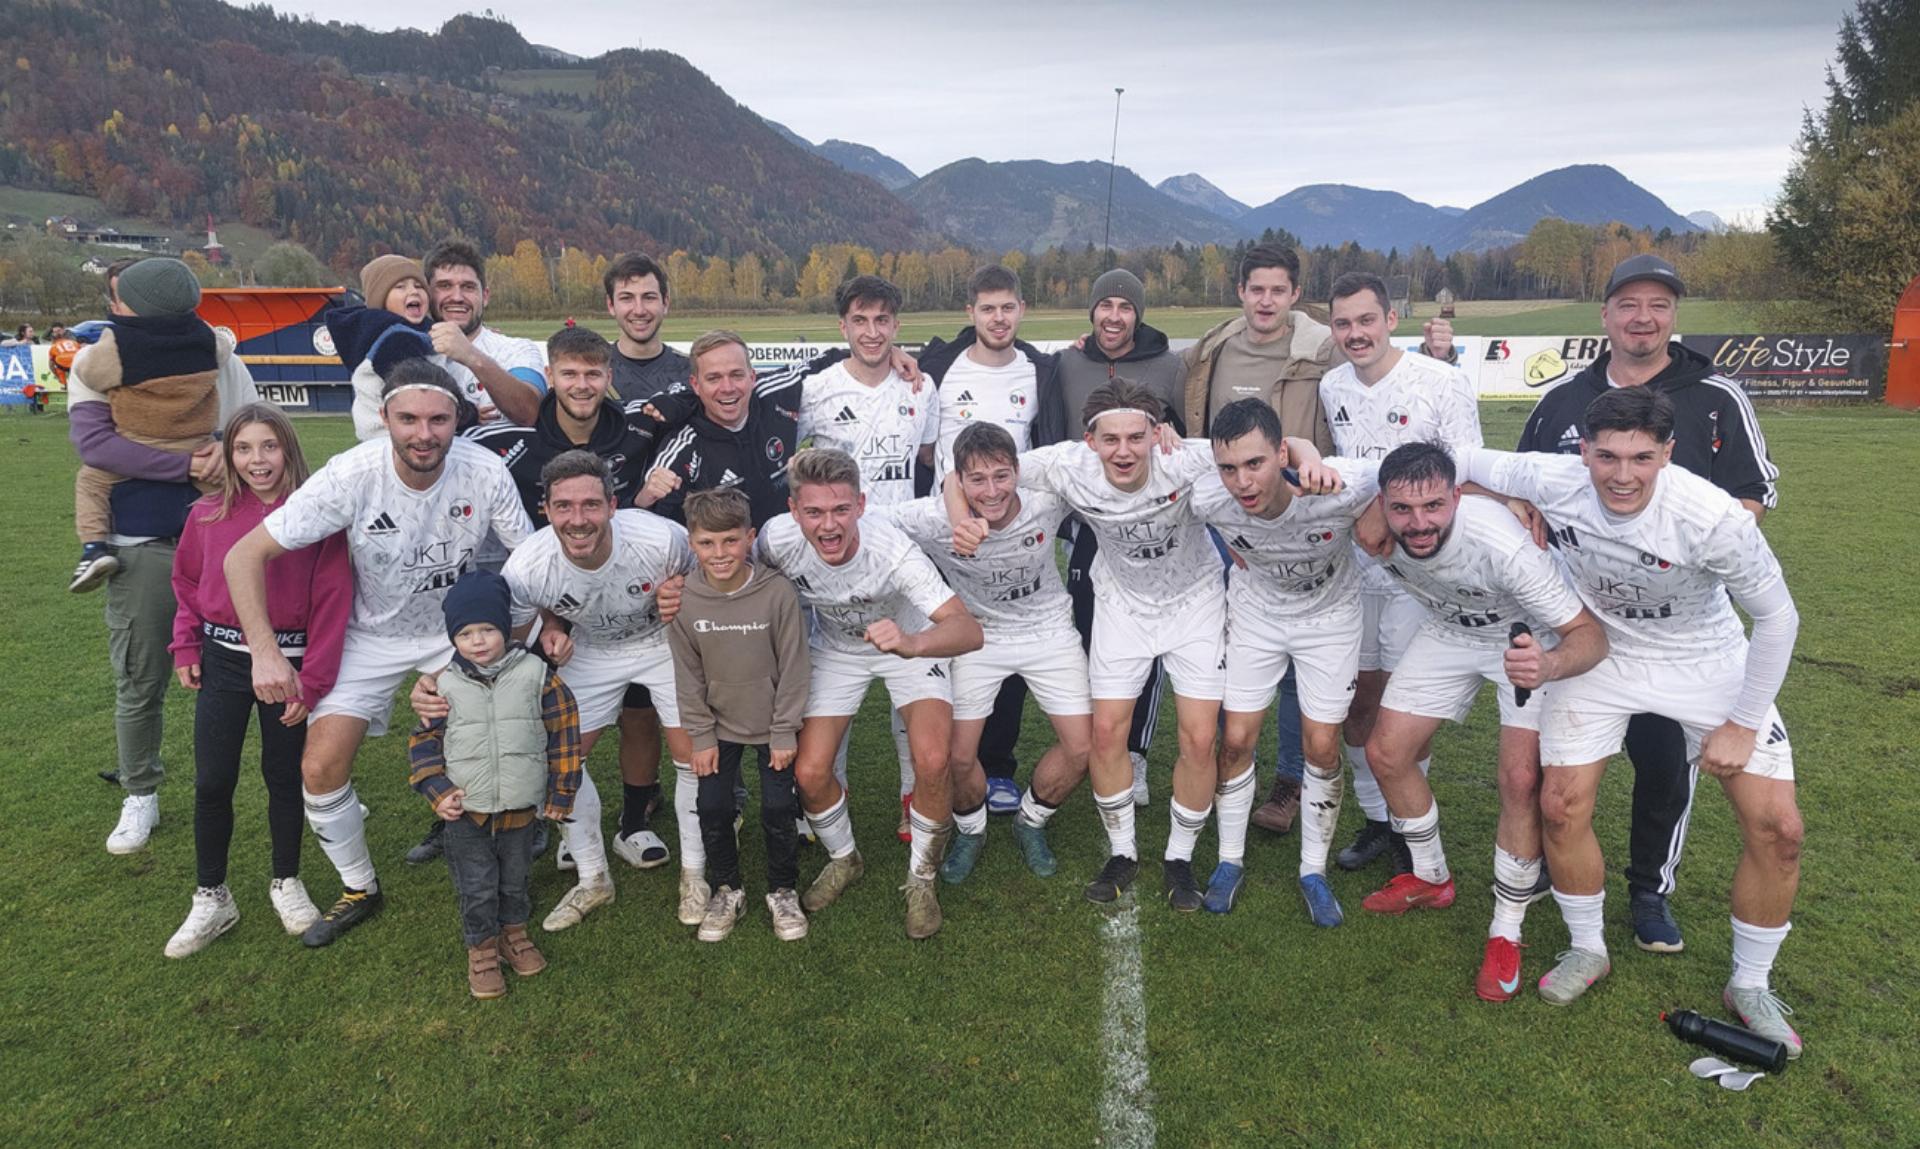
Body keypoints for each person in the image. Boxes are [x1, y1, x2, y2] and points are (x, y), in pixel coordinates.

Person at [1463, 387, 1805, 1054]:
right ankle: (1587, 947)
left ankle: (1750, 983)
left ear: (1668, 453)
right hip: (1600, 652)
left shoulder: (1712, 517)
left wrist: (1741, 722)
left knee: (1780, 829)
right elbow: (1451, 458)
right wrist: (1503, 495)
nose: (1623, 475)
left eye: (1642, 458)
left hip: (1705, 660)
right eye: (1607, 457)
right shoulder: (1550, 477)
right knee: (1560, 806)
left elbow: (1778, 617)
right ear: (1583, 451)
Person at [964, 383, 1325, 908]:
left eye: (1136, 437)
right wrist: (961, 517)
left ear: (1157, 435)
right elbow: (970, 471)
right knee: (1107, 732)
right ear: (1090, 441)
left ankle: (1180, 857)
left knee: (1199, 739)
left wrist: (1310, 458)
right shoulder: (1065, 465)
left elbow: (1279, 447)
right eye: (1110, 439)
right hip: (1122, 608)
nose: (1124, 451)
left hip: (1195, 604)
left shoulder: (1184, 459)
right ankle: (1122, 852)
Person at [1514, 253, 1779, 954]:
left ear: (1673, 315)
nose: (1643, 318)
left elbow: (1752, 496)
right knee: (1558, 769)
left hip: (1678, 627)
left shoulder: (1715, 396)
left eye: (1658, 305)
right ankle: (1553, 875)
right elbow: (1522, 479)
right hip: (1583, 621)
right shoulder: (1565, 400)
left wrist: (1676, 554)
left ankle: (1648, 889)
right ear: (1604, 315)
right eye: (1628, 304)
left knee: (1662, 763)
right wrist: (1518, 504)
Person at [223, 359, 535, 946]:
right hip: (368, 637)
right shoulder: (352, 474)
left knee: (499, 745)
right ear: (385, 417)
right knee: (319, 768)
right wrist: (264, 653)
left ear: (458, 419)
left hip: (453, 634)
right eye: (408, 419)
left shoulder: (484, 470)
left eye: (439, 420)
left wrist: (504, 655)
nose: (424, 433)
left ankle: (512, 863)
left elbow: (529, 565)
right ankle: (360, 886)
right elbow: (242, 556)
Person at [1354, 442, 1609, 1003]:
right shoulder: (1368, 513)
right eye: (1402, 509)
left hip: (1525, 638)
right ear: (1380, 502)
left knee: (1520, 780)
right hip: (1449, 631)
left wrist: (1548, 666)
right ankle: (1431, 877)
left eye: (1434, 506)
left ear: (1456, 498)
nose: (1419, 524)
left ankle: (1506, 932)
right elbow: (1294, 470)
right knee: (1386, 754)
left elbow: (1589, 634)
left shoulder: (1504, 545)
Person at [447, 325, 673, 873]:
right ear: (549, 376)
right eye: (569, 373)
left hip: (631, 599)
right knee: (560, 724)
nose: (582, 384)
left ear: (609, 377)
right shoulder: (513, 438)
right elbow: (445, 447)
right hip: (553, 601)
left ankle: (635, 819)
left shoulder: (637, 428)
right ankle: (571, 823)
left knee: (639, 713)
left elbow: (693, 404)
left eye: (593, 373)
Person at [741, 448, 983, 939]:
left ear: (861, 505)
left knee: (933, 760)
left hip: (909, 642)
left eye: (840, 510)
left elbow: (967, 630)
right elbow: (743, 578)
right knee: (809, 773)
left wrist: (912, 643)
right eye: (814, 512)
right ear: (793, 510)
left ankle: (922, 879)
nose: (829, 525)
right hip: (836, 648)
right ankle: (844, 858)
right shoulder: (775, 538)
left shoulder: (891, 550)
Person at [70, 256, 260, 852]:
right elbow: (97, 446)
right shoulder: (100, 360)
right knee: (141, 676)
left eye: (121, 298)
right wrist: (187, 463)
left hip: (226, 535)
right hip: (142, 542)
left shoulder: (221, 357)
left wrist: (224, 452)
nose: (115, 307)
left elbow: (255, 431)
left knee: (272, 660)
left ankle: (310, 780)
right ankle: (140, 793)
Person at [163, 403, 351, 957]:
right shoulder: (206, 514)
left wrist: (312, 681)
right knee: (212, 780)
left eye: (269, 446)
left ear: (288, 449)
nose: (257, 460)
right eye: (243, 449)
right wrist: (186, 643)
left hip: (289, 667)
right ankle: (212, 895)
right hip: (223, 660)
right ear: (228, 455)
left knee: (284, 776)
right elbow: (188, 583)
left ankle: (286, 880)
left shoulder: (316, 515)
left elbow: (334, 600)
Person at [1319, 271, 1483, 873]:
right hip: (1355, 569)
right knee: (1359, 700)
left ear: (1391, 319)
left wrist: (1397, 518)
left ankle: (1407, 816)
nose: (1355, 334)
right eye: (1343, 324)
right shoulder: (1332, 385)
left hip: (1420, 575)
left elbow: (1467, 476)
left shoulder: (1442, 382)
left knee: (1405, 705)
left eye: (1366, 320)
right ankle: (1378, 819)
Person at [1190, 399, 1376, 921]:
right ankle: (1229, 861)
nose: (1242, 482)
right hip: (1256, 617)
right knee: (1235, 739)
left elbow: (1419, 473)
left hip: (1329, 621)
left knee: (1322, 745)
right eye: (1228, 468)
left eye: (1255, 464)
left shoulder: (1339, 485)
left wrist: (1513, 501)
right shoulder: (1209, 497)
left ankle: (1313, 871)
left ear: (1281, 454)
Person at [1179, 244, 1336, 837]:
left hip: (1300, 516)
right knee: (1231, 647)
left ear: (1295, 294)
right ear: (1240, 292)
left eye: (1278, 290)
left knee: (1295, 658)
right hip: (1230, 521)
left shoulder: (1322, 349)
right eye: (1256, 289)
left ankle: (1289, 779)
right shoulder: (1212, 349)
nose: (1266, 300)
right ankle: (1232, 766)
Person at [499, 452, 694, 929]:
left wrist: (688, 588)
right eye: (564, 506)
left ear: (612, 505)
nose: (578, 519)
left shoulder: (661, 538)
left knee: (694, 755)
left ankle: (696, 875)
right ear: (545, 509)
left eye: (590, 505)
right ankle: (593, 879)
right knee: (559, 761)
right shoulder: (526, 565)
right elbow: (516, 637)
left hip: (661, 641)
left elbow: (714, 571)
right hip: (591, 648)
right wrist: (550, 629)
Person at [890, 422, 1091, 882]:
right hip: (978, 636)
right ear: (958, 482)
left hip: (1048, 630)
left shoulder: (1047, 500)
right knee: (958, 757)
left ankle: (1031, 820)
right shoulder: (934, 518)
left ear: (1018, 470)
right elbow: (866, 524)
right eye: (977, 480)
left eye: (1002, 475)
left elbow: (1100, 462)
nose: (993, 490)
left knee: (1082, 749)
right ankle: (972, 830)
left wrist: (1164, 436)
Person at [914, 266, 1067, 816]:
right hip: (947, 531)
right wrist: (955, 509)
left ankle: (997, 766)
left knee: (1008, 638)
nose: (998, 319)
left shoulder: (1041, 371)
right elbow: (928, 450)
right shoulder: (938, 366)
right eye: (987, 308)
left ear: (1022, 309)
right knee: (949, 643)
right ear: (970, 313)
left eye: (1007, 308)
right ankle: (941, 768)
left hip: (1008, 527)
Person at [407, 570, 582, 999]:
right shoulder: (442, 685)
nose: (478, 641)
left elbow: (565, 734)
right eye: (465, 634)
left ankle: (514, 934)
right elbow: (424, 744)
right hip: (466, 811)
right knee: (477, 885)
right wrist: (438, 793)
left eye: (487, 629)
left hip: (521, 807)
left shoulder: (538, 675)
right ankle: (482, 949)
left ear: (505, 628)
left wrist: (561, 793)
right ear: (453, 638)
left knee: (515, 879)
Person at [1052, 269, 1187, 809]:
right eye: (1104, 305)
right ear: (1091, 312)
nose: (1114, 316)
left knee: (1147, 637)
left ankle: (1135, 752)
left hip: (1149, 524)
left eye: (1125, 307)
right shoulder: (1067, 362)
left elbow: (1183, 430)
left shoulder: (1169, 365)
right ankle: (1099, 743)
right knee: (1090, 632)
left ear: (1138, 314)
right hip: (1087, 521)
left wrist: (1172, 430)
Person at [666, 487, 812, 942]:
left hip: (772, 725)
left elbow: (795, 666)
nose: (719, 553)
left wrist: (784, 731)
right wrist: (701, 736)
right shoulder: (684, 600)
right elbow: (687, 675)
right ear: (691, 543)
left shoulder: (777, 592)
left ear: (749, 537)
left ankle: (782, 889)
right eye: (707, 543)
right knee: (712, 806)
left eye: (730, 540)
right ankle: (727, 888)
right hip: (718, 726)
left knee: (778, 807)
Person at [67, 258, 226, 593]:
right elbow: (224, 350)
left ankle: (94, 548)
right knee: (225, 495)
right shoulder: (209, 340)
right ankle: (237, 543)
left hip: (141, 441)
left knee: (91, 481)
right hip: (200, 446)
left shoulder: (115, 347)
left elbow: (87, 372)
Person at [421, 239, 545, 427]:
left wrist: (471, 356)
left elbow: (529, 413)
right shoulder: (412, 353)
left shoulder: (517, 350)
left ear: (485, 296)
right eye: (445, 286)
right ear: (427, 294)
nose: (457, 297)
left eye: (468, 287)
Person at [335, 254, 436, 442]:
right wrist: (466, 412)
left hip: (392, 437)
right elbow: (423, 388)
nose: (413, 291)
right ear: (380, 299)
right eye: (400, 287)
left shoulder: (406, 331)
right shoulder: (395, 340)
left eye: (419, 286)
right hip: (390, 441)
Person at [603, 253, 691, 402]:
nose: (639, 310)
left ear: (665, 303)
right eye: (626, 298)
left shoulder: (693, 371)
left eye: (649, 297)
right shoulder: (592, 374)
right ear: (611, 305)